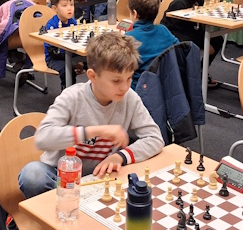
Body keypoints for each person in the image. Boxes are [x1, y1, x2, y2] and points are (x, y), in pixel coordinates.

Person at [18, 31, 164, 199]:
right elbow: (42, 138)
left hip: (101, 177)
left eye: (129, 78)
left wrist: (120, 156)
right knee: (32, 175)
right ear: (92, 76)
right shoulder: (72, 97)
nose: (125, 87)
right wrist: (93, 131)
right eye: (116, 81)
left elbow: (155, 138)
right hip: (61, 177)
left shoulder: (129, 98)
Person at [163, 0, 224, 70]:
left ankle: (201, 70)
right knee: (192, 43)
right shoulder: (179, 3)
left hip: (190, 31)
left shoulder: (200, 0)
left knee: (217, 40)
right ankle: (190, 73)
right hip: (174, 33)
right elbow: (179, 29)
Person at [127, 0, 179, 84]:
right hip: (164, 84)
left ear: (134, 13)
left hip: (138, 87)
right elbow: (179, 49)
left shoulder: (129, 39)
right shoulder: (163, 30)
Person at [43, 0, 83, 89]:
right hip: (54, 58)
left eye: (72, 5)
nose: (69, 8)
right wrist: (74, 62)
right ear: (54, 8)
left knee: (95, 63)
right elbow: (52, 51)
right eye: (64, 6)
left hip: (71, 55)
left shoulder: (73, 22)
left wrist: (79, 60)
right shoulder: (51, 25)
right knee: (67, 71)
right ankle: (67, 93)